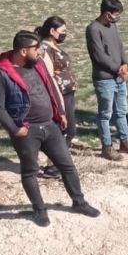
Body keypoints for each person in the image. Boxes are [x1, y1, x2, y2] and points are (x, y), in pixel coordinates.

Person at [0, 31, 101, 226]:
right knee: (29, 171)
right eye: (36, 48)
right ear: (23, 51)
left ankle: (79, 202)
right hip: (26, 131)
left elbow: (50, 86)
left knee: (67, 165)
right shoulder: (2, 74)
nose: (40, 52)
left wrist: (61, 113)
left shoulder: (38, 64)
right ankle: (39, 209)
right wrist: (15, 129)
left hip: (50, 125)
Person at [86, 0, 128, 161]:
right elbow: (99, 56)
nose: (117, 17)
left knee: (121, 111)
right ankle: (107, 146)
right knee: (105, 114)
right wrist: (117, 69)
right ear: (107, 13)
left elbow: (120, 46)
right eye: (116, 14)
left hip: (119, 76)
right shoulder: (93, 29)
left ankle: (125, 141)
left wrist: (125, 63)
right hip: (105, 79)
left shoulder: (112, 26)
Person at [36, 16, 77, 179]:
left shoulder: (54, 46)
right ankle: (53, 166)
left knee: (67, 130)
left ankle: (56, 164)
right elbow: (49, 77)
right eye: (63, 31)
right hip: (59, 94)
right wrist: (58, 102)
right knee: (66, 130)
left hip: (68, 93)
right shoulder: (45, 50)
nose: (65, 34)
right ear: (52, 31)